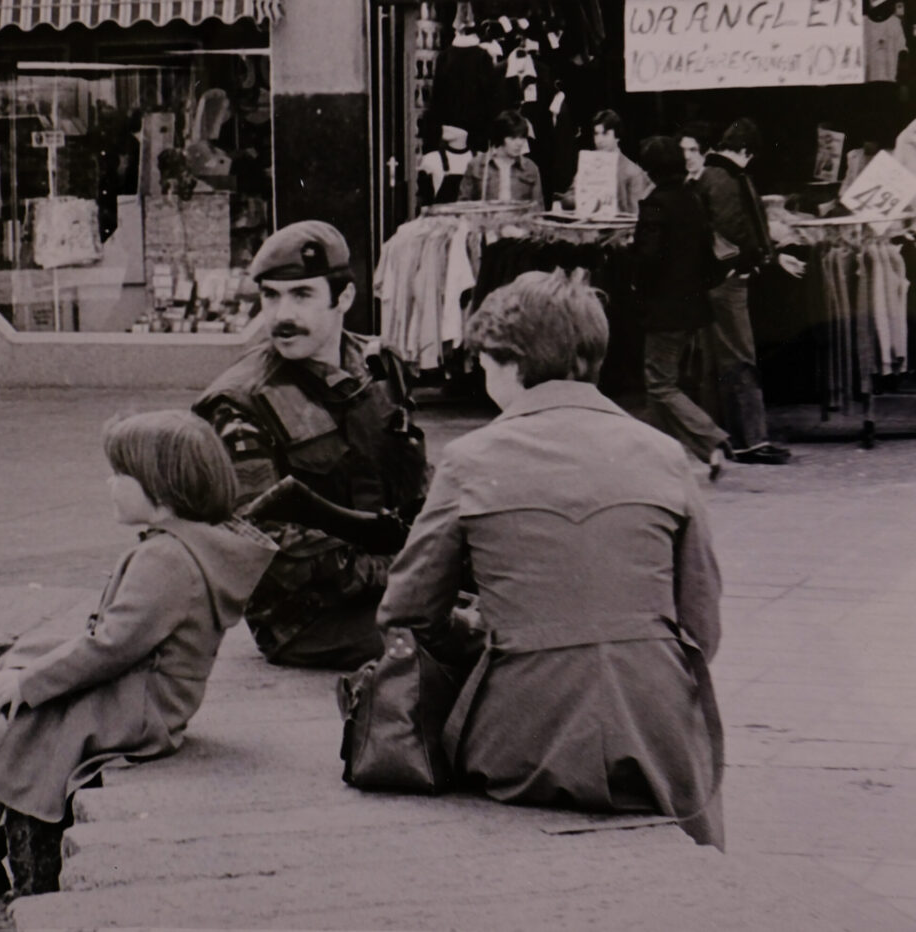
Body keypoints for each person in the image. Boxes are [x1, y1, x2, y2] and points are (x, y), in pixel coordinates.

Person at [376, 269, 725, 849]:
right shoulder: (666, 456)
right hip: (657, 730)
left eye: (485, 363)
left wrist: (489, 629)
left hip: (522, 731)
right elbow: (703, 625)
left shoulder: (469, 458)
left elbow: (407, 613)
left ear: (511, 363)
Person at [0, 410, 276, 930]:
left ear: (162, 488)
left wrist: (32, 681)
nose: (109, 484)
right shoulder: (183, 545)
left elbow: (111, 647)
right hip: (157, 694)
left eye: (121, 475)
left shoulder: (166, 559)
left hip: (143, 708)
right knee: (18, 679)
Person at [195, 221, 429, 670]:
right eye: (271, 296)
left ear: (343, 298)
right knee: (454, 637)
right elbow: (267, 541)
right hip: (306, 618)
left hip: (392, 580)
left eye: (301, 295)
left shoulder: (380, 366)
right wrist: (404, 572)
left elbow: (416, 479)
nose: (282, 315)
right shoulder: (240, 401)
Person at [694, 118, 802, 464]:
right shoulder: (727, 178)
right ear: (744, 151)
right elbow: (733, 229)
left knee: (716, 361)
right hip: (728, 282)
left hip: (711, 281)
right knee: (740, 357)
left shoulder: (709, 175)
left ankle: (723, 437)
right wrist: (756, 260)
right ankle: (751, 440)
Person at [632, 136, 731, 481]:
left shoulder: (655, 204)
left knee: (660, 384)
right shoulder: (693, 200)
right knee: (659, 383)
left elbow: (647, 258)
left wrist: (637, 286)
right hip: (693, 306)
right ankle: (659, 458)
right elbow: (708, 256)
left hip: (664, 307)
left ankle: (711, 439)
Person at [560, 109, 652, 215]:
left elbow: (636, 214)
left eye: (605, 134)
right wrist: (583, 199)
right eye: (596, 134)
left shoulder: (632, 172)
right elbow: (566, 200)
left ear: (617, 136)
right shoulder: (588, 164)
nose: (599, 140)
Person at [457, 110, 543, 205]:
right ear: (500, 137)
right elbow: (463, 205)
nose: (519, 143)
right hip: (486, 219)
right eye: (512, 138)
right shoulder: (476, 165)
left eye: (522, 138)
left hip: (520, 219)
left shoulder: (530, 168)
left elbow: (537, 207)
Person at [416, 124, 474, 209]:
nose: (445, 127)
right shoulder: (431, 158)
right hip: (440, 218)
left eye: (452, 124)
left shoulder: (477, 161)